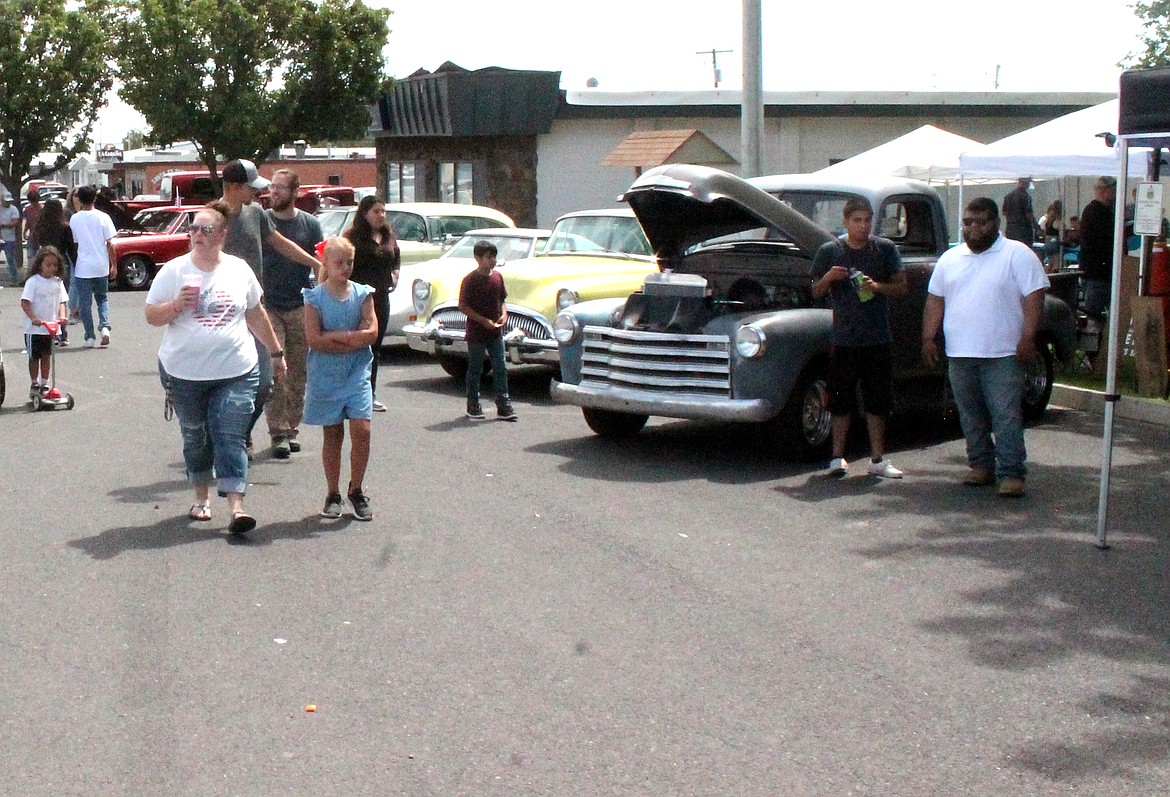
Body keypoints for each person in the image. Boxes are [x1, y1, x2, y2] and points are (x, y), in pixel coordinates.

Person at [144, 202, 287, 534]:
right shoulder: (174, 271)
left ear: (223, 234)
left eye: (206, 230)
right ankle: (200, 495)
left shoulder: (238, 270)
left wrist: (276, 353)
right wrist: (176, 305)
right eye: (193, 229)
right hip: (184, 373)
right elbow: (151, 316)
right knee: (195, 437)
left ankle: (237, 507)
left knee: (230, 436)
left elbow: (254, 313)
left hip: (235, 370)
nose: (197, 236)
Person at [921, 197, 1049, 498]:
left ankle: (1011, 472)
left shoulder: (1017, 254)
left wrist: (1028, 337)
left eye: (981, 222)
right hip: (960, 353)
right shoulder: (950, 259)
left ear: (996, 223)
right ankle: (981, 464)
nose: (974, 228)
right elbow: (935, 299)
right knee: (969, 414)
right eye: (968, 222)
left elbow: (1034, 297)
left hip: (1003, 353)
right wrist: (928, 336)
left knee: (1005, 415)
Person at [217, 158, 320, 457]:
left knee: (264, 380)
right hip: (224, 314)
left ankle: (249, 431)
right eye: (252, 187)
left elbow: (279, 242)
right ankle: (239, 437)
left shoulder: (257, 214)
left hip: (256, 309)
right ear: (235, 187)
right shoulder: (213, 216)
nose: (259, 193)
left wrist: (314, 262)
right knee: (231, 379)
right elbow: (196, 259)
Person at [810, 196, 908, 478]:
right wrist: (829, 278)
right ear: (846, 222)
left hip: (877, 337)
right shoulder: (831, 250)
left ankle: (877, 459)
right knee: (840, 400)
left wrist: (876, 286)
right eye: (857, 220)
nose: (863, 226)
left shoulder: (884, 249)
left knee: (878, 400)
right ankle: (837, 457)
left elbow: (901, 287)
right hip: (844, 338)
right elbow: (815, 291)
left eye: (867, 220)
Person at [302, 236, 378, 520]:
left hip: (356, 371)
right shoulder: (314, 297)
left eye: (349, 262)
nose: (345, 268)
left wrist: (339, 336)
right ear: (326, 263)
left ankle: (356, 489)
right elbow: (314, 339)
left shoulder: (362, 293)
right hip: (326, 374)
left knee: (362, 429)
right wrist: (350, 338)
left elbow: (371, 332)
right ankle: (332, 493)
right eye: (339, 263)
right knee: (332, 433)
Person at [261, 168, 323, 459]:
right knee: (277, 370)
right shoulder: (264, 221)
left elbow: (320, 262)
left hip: (299, 305)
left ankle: (291, 427)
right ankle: (278, 432)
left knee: (299, 371)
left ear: (295, 192)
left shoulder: (310, 225)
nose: (274, 193)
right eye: (272, 187)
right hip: (268, 305)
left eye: (280, 188)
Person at [344, 195, 400, 413]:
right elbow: (342, 261)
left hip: (381, 297)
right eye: (376, 211)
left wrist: (396, 274)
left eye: (383, 211)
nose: (381, 216)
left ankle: (370, 393)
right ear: (364, 213)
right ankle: (350, 393)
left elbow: (396, 258)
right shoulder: (353, 237)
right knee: (357, 344)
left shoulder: (388, 236)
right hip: (358, 298)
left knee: (374, 347)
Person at [458, 240, 517, 421]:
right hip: (477, 333)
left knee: (500, 367)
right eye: (488, 257)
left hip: (495, 333)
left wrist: (504, 315)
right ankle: (473, 403)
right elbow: (463, 306)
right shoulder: (470, 280)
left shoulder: (497, 277)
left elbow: (502, 300)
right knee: (476, 368)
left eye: (494, 257)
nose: (492, 260)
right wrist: (483, 321)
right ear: (477, 258)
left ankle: (503, 404)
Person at [68, 185, 117, 348]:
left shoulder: (75, 219)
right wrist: (113, 265)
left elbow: (76, 242)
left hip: (83, 266)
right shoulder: (103, 217)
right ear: (95, 198)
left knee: (85, 303)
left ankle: (89, 337)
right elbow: (110, 244)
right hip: (101, 265)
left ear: (80, 200)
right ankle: (104, 327)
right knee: (102, 298)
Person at [19, 246, 69, 399]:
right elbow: (25, 302)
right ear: (40, 264)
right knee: (34, 357)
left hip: (50, 327)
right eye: (48, 265)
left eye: (54, 265)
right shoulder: (33, 282)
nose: (51, 268)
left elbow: (62, 302)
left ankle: (45, 383)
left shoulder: (58, 282)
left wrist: (62, 317)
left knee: (47, 355)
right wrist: (34, 318)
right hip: (34, 329)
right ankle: (34, 383)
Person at [1078, 176, 1117, 322]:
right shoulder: (1096, 212)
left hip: (1100, 274)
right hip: (1097, 275)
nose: (1116, 194)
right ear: (1104, 191)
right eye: (1114, 190)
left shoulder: (1101, 211)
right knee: (1094, 319)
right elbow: (1105, 240)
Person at [1002, 177, 1036, 245]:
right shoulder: (1026, 196)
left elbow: (1004, 212)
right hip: (1023, 230)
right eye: (1028, 182)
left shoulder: (1008, 196)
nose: (1029, 184)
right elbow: (1029, 214)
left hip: (1010, 228)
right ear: (1024, 183)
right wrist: (1036, 226)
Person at [0, 192, 20, 284]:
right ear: (2, 200)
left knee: (10, 258)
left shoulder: (14, 209)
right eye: (6, 201)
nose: (7, 203)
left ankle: (14, 279)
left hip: (9, 238)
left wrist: (4, 225)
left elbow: (15, 222)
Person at [23, 189, 42, 264]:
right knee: (31, 255)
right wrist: (24, 232)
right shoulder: (28, 210)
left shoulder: (40, 209)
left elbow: (28, 222)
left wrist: (24, 232)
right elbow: (28, 222)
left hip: (38, 235)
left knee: (32, 255)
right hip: (35, 235)